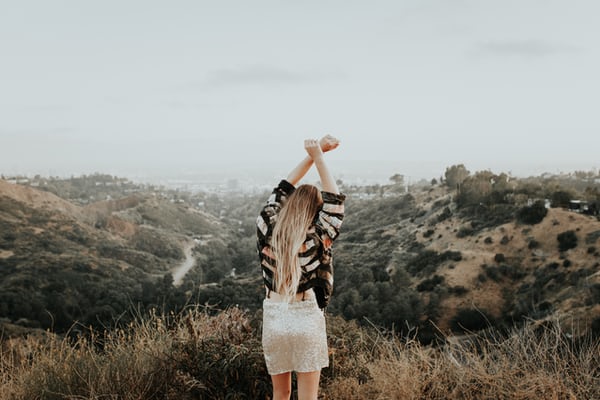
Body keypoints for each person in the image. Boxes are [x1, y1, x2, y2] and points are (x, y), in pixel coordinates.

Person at [256, 135, 346, 400]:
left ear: (290, 204)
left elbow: (283, 187)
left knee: (279, 395)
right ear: (316, 212)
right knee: (308, 397)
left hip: (274, 316)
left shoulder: (267, 225)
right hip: (305, 316)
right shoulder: (318, 236)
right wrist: (319, 156)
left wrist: (312, 153)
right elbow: (335, 204)